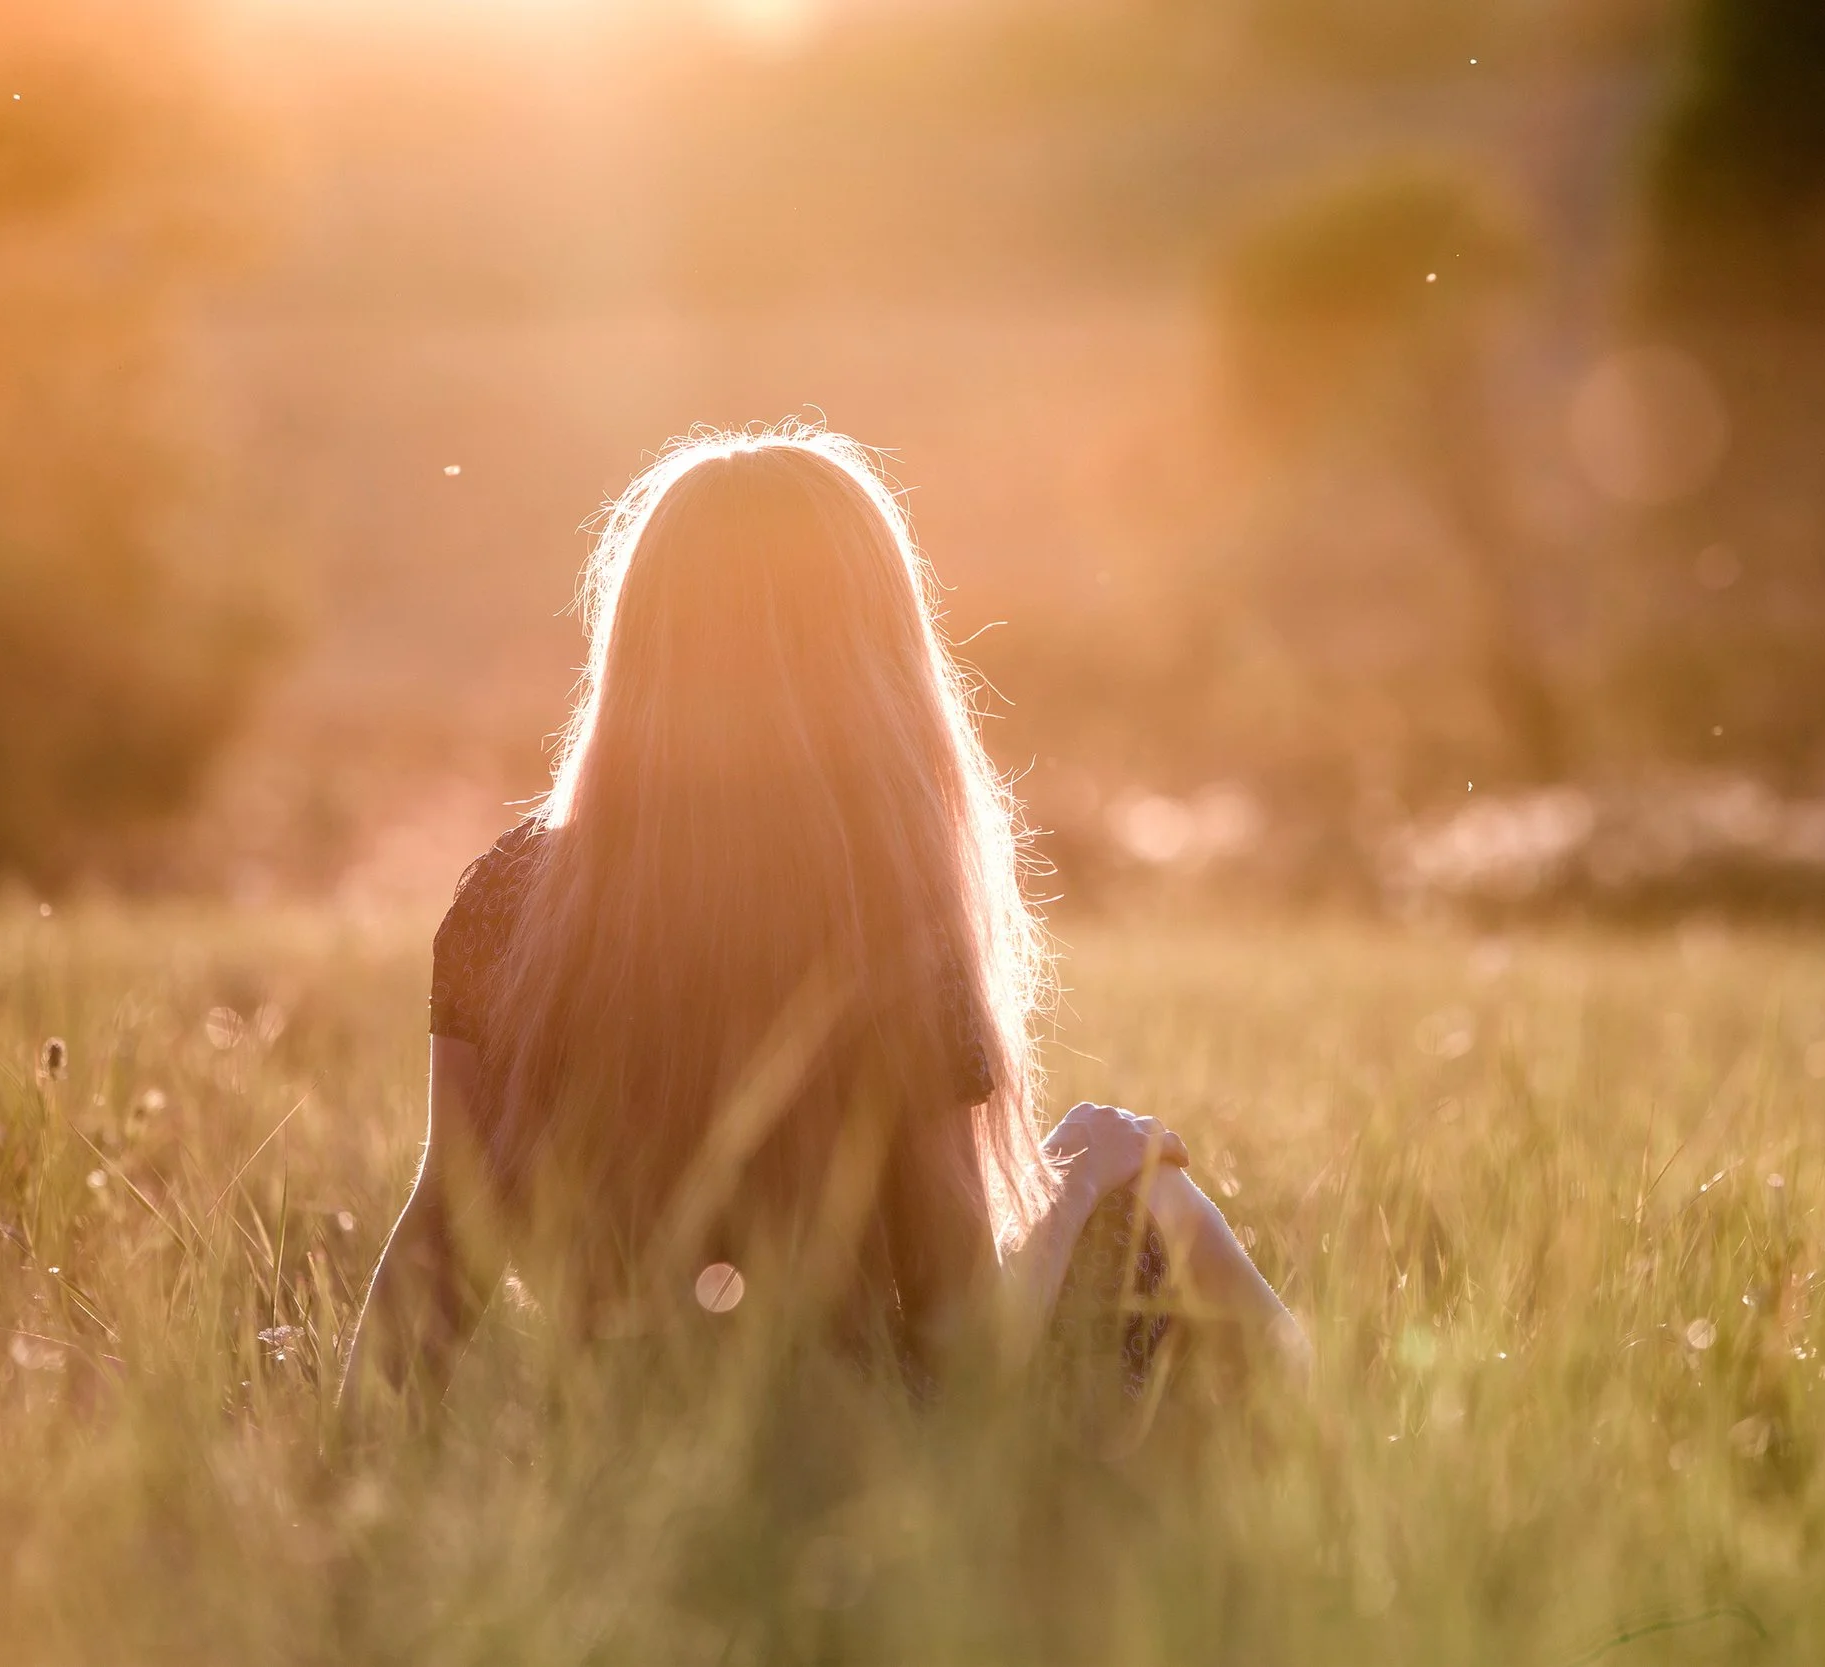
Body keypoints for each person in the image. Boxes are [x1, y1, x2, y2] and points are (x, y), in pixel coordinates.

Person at [343, 427, 1299, 1427]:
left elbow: (436, 1250)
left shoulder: (508, 903)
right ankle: (1321, 1498)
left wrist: (343, 1487)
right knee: (1157, 1204)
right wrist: (1093, 1167)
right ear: (874, 662)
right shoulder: (884, 928)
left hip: (625, 1447)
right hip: (872, 1468)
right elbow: (961, 1337)